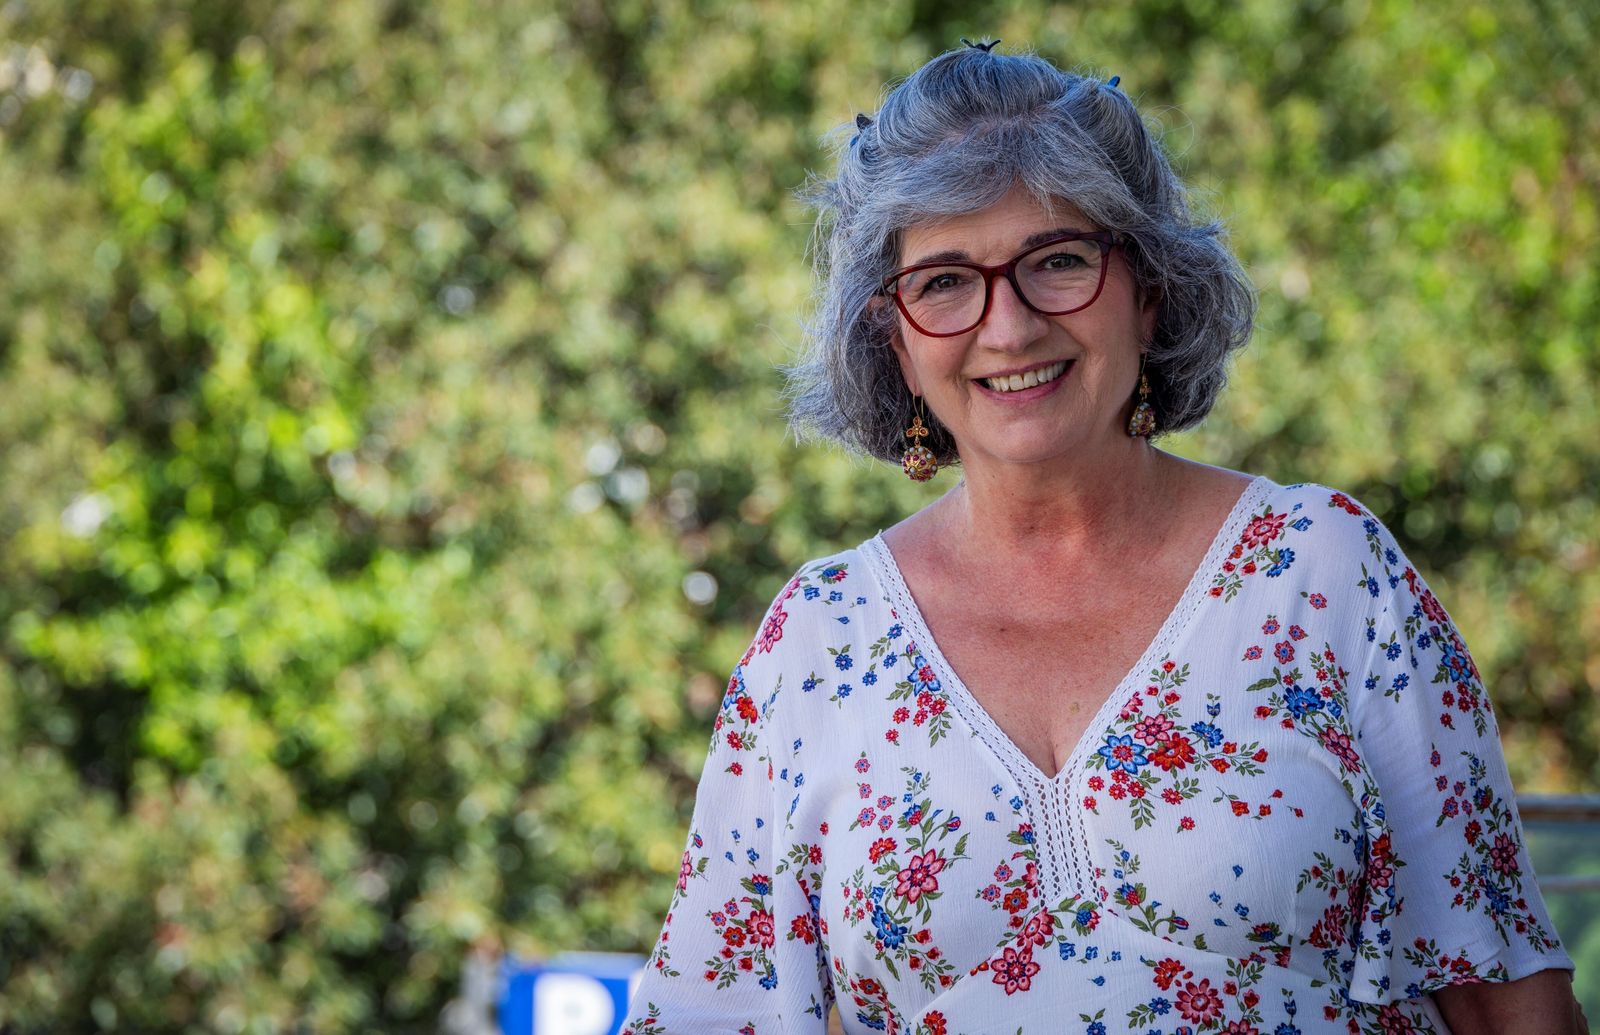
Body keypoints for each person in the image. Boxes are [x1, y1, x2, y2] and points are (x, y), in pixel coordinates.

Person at [623, 41, 1583, 1035]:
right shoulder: (817, 644)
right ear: (895, 338)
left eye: (1058, 262)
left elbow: (1502, 995)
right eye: (945, 281)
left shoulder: (1322, 572)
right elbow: (705, 1013)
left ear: (1151, 288)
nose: (1007, 327)